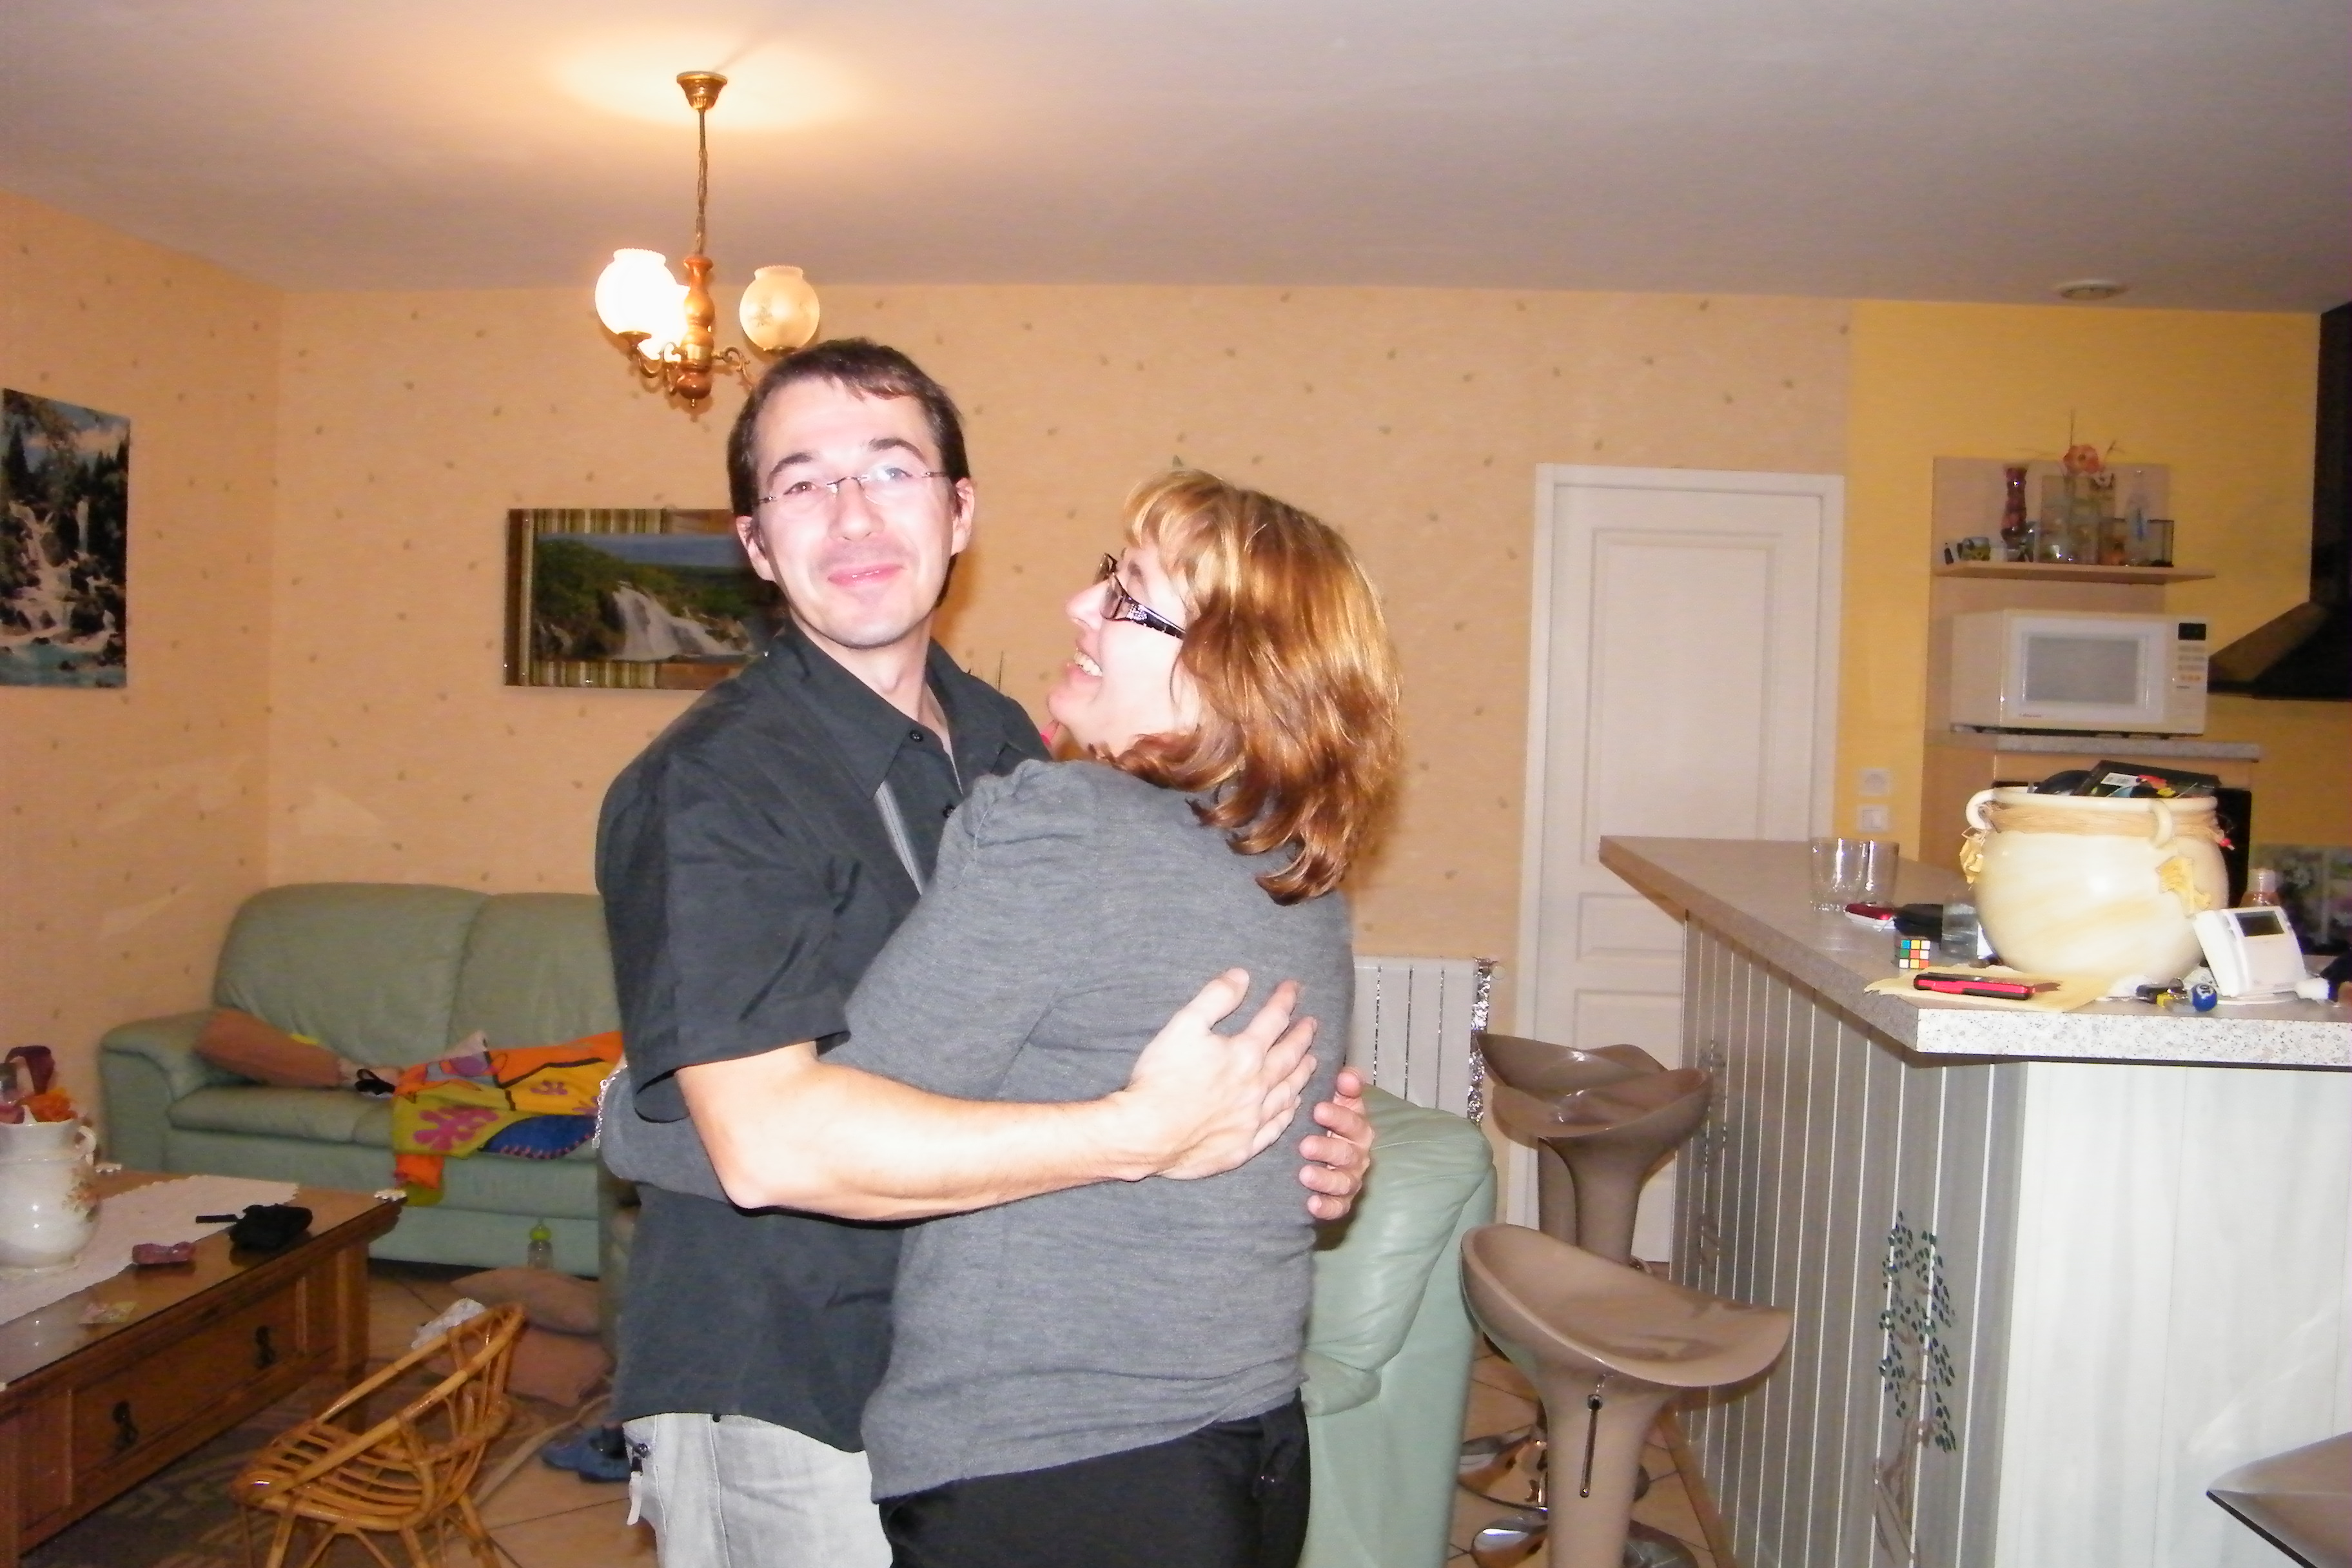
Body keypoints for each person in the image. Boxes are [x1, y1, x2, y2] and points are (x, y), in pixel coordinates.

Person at [594, 340, 1373, 1568]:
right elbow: (769, 1147)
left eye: (890, 470)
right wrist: (1140, 1133)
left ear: (960, 512)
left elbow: (1083, 1015)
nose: (852, 513)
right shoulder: (712, 786)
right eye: (802, 483)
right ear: (757, 545)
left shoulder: (1013, 744)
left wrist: (1294, 1142)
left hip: (1010, 1385)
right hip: (788, 1372)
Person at [816, 471, 1400, 1567]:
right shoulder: (1294, 871)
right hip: (1250, 1443)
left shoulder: (1068, 825)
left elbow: (828, 1127)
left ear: (1231, 668)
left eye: (1129, 596)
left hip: (1056, 1465)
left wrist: (648, 1105)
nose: (1081, 607)